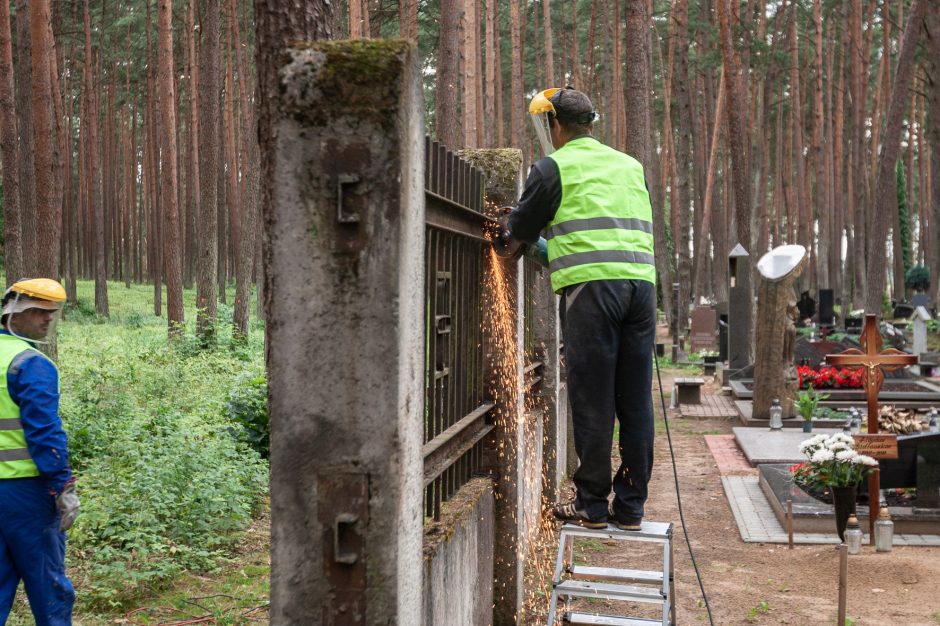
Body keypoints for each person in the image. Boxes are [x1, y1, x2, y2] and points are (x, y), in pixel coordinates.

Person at [495, 87, 657, 530]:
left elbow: (519, 234)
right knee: (635, 398)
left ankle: (591, 503)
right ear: (592, 122)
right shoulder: (630, 166)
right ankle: (631, 506)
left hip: (593, 294)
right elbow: (599, 235)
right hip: (641, 291)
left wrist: (507, 238)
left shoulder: (554, 167)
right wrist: (547, 248)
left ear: (555, 126)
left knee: (593, 396)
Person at [0, 278, 78, 625]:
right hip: (27, 493)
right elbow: (45, 434)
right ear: (13, 314)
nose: (47, 320)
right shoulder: (30, 363)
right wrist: (63, 485)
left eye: (51, 313)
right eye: (38, 312)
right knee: (48, 584)